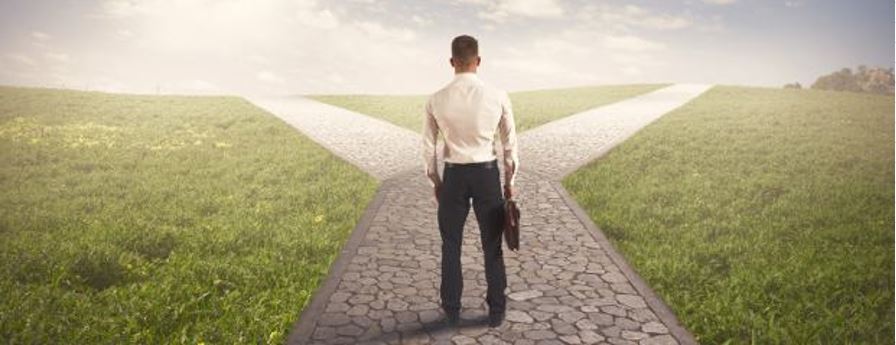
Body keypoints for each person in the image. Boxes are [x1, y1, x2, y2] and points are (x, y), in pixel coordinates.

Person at [421, 34, 519, 328]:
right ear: (478, 60)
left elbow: (428, 147)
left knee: (451, 245)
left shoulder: (436, 99)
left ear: (452, 62)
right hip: (486, 174)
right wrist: (509, 181)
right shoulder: (498, 96)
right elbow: (509, 145)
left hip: (454, 176)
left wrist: (436, 182)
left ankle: (451, 310)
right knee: (492, 245)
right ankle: (496, 311)